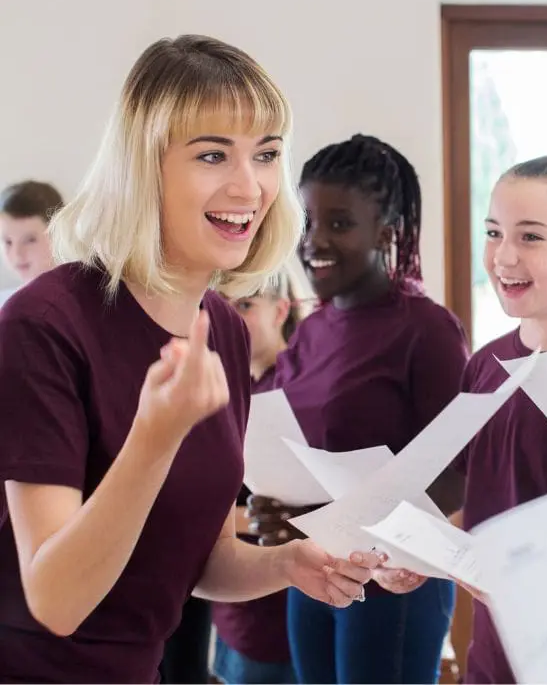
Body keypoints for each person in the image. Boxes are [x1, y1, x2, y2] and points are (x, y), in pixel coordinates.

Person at [0, 35, 378, 685]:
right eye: (212, 154)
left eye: (266, 154)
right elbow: (56, 601)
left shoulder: (223, 330)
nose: (248, 185)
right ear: (143, 167)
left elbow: (190, 557)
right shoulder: (43, 325)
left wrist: (285, 563)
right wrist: (154, 438)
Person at [248, 134, 469, 684]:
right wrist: (278, 512)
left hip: (392, 580)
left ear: (386, 232)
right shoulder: (312, 331)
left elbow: (458, 470)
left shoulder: (426, 329)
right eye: (307, 222)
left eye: (340, 223)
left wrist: (394, 544)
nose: (314, 240)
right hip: (313, 568)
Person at [451, 151, 547, 684]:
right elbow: (481, 502)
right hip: (493, 661)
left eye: (530, 237)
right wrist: (413, 554)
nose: (503, 256)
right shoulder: (485, 364)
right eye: (493, 231)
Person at [211, 270, 301, 684]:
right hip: (231, 602)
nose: (229, 318)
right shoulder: (225, 386)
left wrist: (224, 519)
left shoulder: (300, 391)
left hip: (282, 603)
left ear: (281, 310)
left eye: (246, 305)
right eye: (221, 306)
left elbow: (291, 510)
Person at [0, 180, 62, 302]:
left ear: (58, 234)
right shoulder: (6, 304)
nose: (17, 254)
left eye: (30, 240)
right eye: (8, 242)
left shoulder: (80, 301)